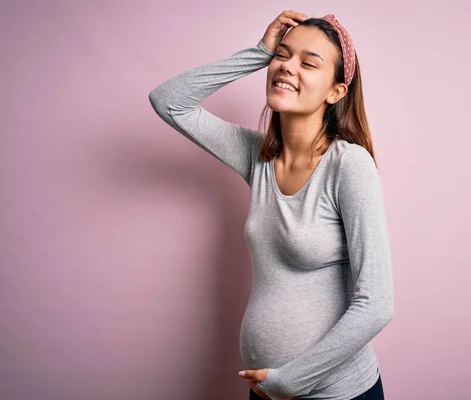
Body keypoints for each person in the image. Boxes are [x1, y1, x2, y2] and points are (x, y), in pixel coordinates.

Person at [148, 10, 394, 400]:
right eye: (283, 54)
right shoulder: (257, 155)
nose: (286, 66)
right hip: (266, 389)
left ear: (336, 92)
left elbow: (377, 304)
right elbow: (168, 101)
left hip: (336, 394)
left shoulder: (349, 166)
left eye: (309, 62)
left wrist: (291, 380)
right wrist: (258, 51)